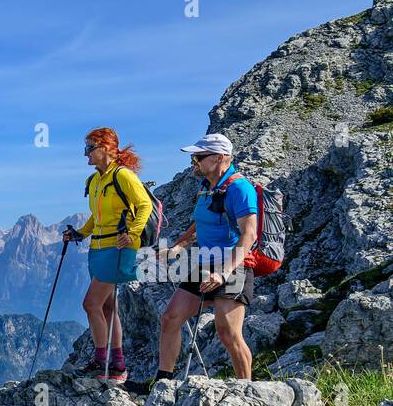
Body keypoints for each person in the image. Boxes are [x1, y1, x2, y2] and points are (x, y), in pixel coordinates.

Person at [140, 133, 257, 388]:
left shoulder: (240, 188)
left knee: (227, 332)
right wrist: (177, 248)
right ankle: (162, 383)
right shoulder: (206, 187)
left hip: (234, 267)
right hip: (206, 264)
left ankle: (247, 392)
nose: (194, 162)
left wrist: (224, 273)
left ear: (219, 158)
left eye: (199, 157)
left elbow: (249, 234)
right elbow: (199, 223)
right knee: (170, 317)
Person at [63, 128, 152, 383]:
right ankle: (117, 366)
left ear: (105, 148)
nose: (85, 154)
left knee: (90, 304)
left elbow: (144, 204)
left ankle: (101, 363)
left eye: (89, 148)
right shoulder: (94, 180)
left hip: (118, 247)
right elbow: (97, 217)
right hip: (98, 248)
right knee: (107, 306)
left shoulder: (123, 176)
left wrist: (133, 232)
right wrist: (80, 234)